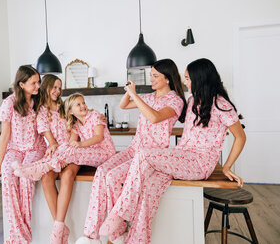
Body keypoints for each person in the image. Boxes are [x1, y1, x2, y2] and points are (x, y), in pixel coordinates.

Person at [99, 58, 246, 244]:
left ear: (199, 78)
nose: (185, 82)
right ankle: (136, 240)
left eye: (187, 78)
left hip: (198, 164)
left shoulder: (221, 104)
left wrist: (226, 167)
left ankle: (121, 211)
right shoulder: (193, 100)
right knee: (149, 188)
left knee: (144, 153)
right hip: (181, 157)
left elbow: (240, 137)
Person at [76, 59, 187, 244]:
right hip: (133, 148)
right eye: (151, 75)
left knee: (112, 178)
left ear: (167, 79)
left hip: (152, 154)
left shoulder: (175, 101)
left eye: (155, 76)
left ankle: (118, 231)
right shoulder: (151, 97)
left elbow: (154, 117)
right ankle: (90, 234)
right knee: (102, 172)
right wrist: (129, 92)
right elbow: (123, 106)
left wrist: (135, 95)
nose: (151, 79)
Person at [15, 93, 116, 243]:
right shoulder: (75, 126)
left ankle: (43, 167)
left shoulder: (95, 116)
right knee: (66, 147)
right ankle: (40, 166)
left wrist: (79, 145)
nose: (83, 106)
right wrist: (64, 155)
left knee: (72, 150)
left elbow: (98, 137)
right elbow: (71, 144)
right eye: (78, 104)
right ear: (71, 112)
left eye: (83, 103)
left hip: (105, 154)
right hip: (90, 155)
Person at [0, 65, 47, 244]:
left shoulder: (39, 102)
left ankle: (21, 237)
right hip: (14, 150)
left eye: (39, 82)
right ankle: (18, 236)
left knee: (25, 179)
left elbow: (45, 128)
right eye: (33, 83)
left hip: (35, 149)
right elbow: (5, 135)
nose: (38, 86)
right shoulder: (9, 103)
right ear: (21, 84)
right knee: (7, 177)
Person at [34, 74, 80, 244]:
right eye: (54, 87)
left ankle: (57, 232)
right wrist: (55, 148)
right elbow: (49, 137)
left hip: (74, 150)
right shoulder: (41, 111)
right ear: (46, 87)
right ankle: (60, 228)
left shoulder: (65, 106)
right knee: (46, 178)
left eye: (59, 87)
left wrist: (69, 149)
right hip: (56, 152)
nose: (57, 91)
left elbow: (79, 123)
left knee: (68, 175)